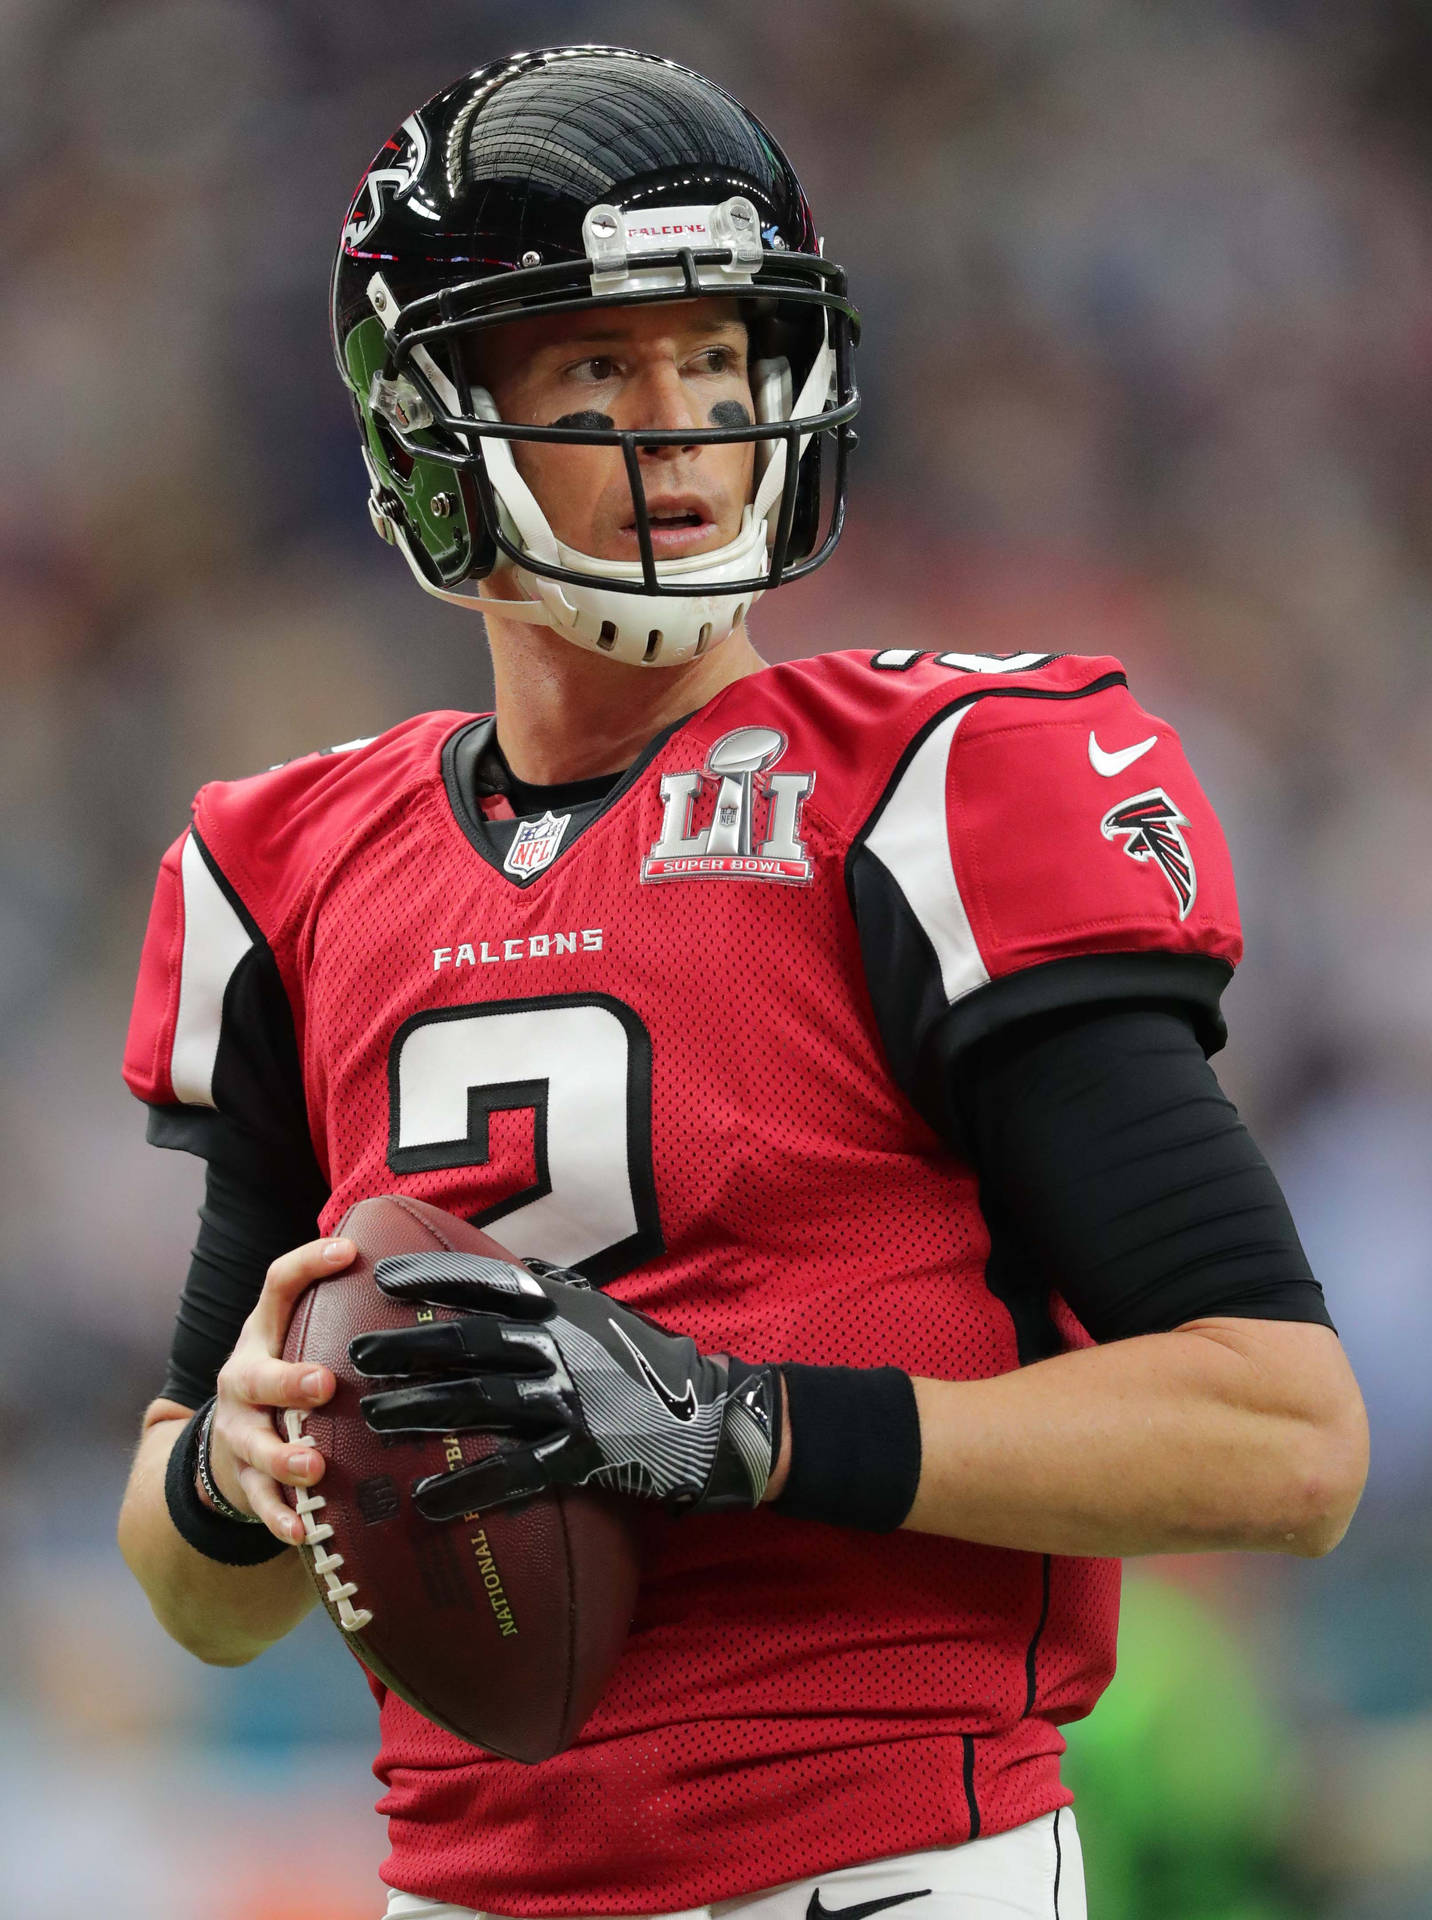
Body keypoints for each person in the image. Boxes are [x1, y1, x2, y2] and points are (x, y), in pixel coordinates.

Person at [116, 46, 1367, 1920]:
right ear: (436, 422)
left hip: (878, 1869)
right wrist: (230, 1470)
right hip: (460, 1890)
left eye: (719, 359)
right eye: (601, 365)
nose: (688, 424)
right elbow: (199, 1600)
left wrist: (744, 1425)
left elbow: (1284, 1437)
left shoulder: (935, 784)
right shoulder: (287, 867)